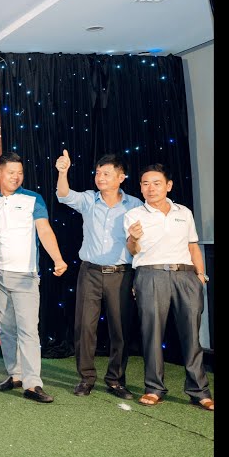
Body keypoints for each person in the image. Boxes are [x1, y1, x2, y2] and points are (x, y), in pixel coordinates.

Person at [55, 150, 144, 398]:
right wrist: (63, 172)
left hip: (121, 274)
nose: (100, 177)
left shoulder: (135, 205)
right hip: (90, 272)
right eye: (97, 173)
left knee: (120, 329)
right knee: (84, 326)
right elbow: (63, 195)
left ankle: (116, 380)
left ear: (121, 177)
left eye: (106, 173)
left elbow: (141, 241)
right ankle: (86, 378)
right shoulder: (88, 200)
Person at [124, 164, 213, 411]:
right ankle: (154, 389)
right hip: (150, 274)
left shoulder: (184, 212)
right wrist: (134, 237)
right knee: (151, 333)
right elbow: (132, 250)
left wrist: (200, 275)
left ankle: (199, 391)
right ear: (140, 187)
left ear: (168, 185)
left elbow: (193, 246)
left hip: (185, 276)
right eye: (145, 184)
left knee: (191, 335)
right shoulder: (134, 215)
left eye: (156, 183)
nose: (150, 188)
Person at [0, 152, 68, 404]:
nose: (16, 177)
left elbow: (44, 229)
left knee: (29, 331)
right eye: (11, 172)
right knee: (6, 330)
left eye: (20, 173)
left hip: (25, 275)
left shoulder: (33, 199)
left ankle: (33, 383)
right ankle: (16, 374)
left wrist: (58, 259)